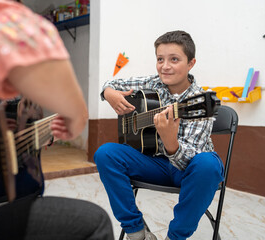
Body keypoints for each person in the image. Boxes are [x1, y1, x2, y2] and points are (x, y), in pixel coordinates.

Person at [0, 0, 114, 239]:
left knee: (30, 174)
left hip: (13, 179)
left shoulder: (11, 93)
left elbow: (34, 133)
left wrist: (40, 130)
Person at [94, 30, 224, 240]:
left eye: (174, 59)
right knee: (105, 153)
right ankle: (136, 231)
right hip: (154, 163)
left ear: (191, 63)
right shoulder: (153, 83)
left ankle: (175, 236)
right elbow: (111, 85)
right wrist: (109, 93)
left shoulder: (199, 101)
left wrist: (170, 141)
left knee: (209, 164)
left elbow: (191, 159)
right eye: (160, 59)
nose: (165, 66)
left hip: (188, 170)